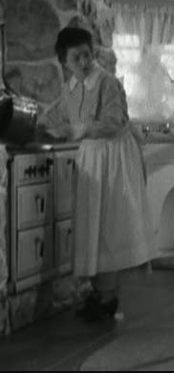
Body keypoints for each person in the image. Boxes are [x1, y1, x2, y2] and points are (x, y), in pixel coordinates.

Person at [39, 27, 156, 322]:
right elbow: (59, 113)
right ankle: (101, 293)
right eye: (76, 57)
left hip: (114, 156)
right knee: (92, 225)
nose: (84, 61)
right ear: (64, 61)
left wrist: (78, 130)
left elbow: (114, 122)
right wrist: (38, 124)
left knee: (109, 226)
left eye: (87, 54)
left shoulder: (106, 83)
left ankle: (108, 296)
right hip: (93, 156)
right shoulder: (72, 86)